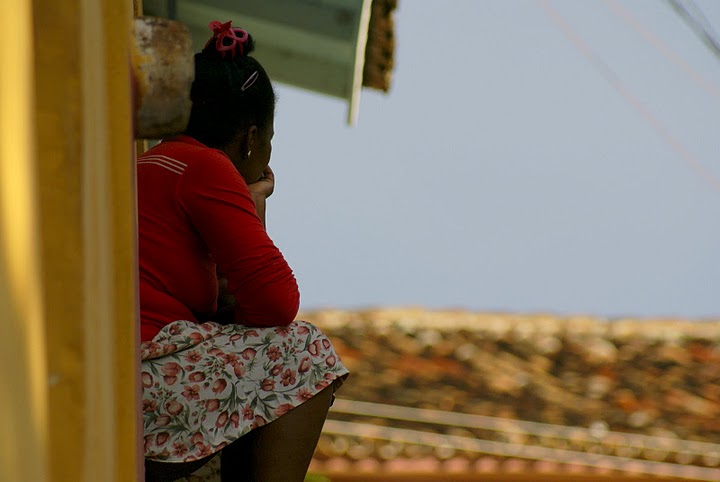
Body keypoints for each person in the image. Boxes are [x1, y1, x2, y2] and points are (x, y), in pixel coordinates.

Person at [138, 20, 349, 482]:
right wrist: (254, 206)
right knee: (306, 351)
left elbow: (232, 306)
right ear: (251, 138)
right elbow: (275, 305)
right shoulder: (207, 167)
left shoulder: (152, 164)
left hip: (132, 369)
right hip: (146, 382)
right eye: (269, 141)